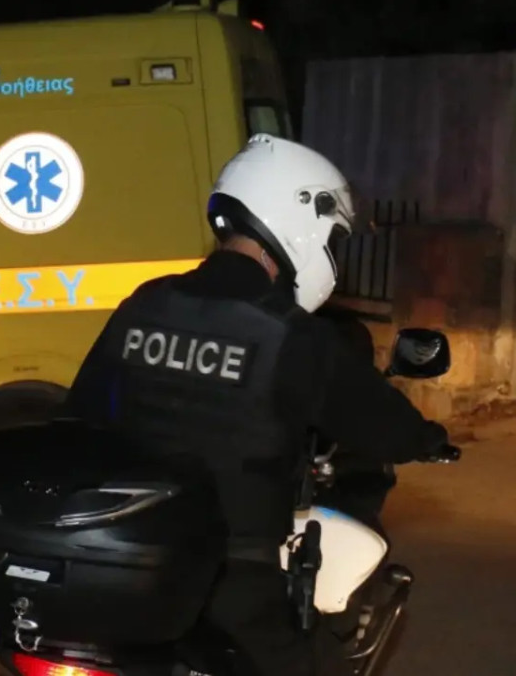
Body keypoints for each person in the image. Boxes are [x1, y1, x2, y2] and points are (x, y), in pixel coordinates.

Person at [63, 133, 459, 676]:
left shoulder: (147, 302)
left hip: (118, 557)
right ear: (302, 218)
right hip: (229, 572)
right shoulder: (287, 334)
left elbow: (81, 410)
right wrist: (427, 438)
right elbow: (382, 426)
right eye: (333, 236)